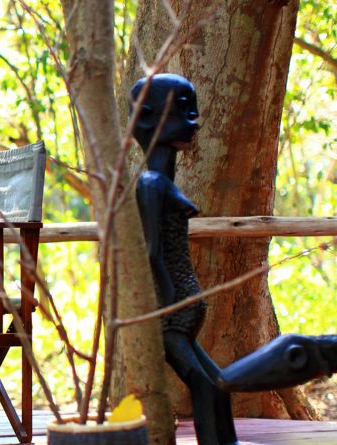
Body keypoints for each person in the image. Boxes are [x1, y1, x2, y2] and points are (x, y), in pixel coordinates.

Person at [132, 73, 239, 445]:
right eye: (182, 109)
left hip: (183, 309)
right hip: (171, 314)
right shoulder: (150, 183)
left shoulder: (162, 181)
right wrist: (171, 303)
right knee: (204, 384)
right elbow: (150, 251)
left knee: (218, 382)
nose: (194, 120)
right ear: (146, 118)